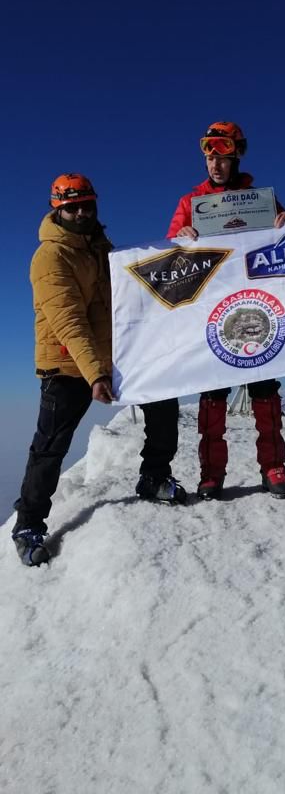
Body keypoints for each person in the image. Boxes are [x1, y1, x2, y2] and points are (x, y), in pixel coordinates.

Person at [12, 174, 185, 568]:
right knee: (50, 445)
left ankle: (154, 476)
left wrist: (185, 244)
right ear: (57, 209)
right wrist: (96, 374)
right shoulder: (51, 256)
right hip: (67, 363)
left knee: (164, 404)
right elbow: (69, 322)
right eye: (71, 207)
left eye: (86, 204)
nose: (80, 212)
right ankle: (28, 524)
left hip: (113, 357)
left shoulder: (101, 248)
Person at [167, 121, 285, 501]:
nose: (215, 164)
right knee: (212, 394)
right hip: (212, 309)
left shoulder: (260, 200)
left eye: (222, 155)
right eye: (209, 156)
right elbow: (170, 250)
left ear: (237, 153)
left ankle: (273, 466)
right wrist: (180, 236)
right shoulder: (191, 204)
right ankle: (211, 474)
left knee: (265, 388)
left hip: (256, 305)